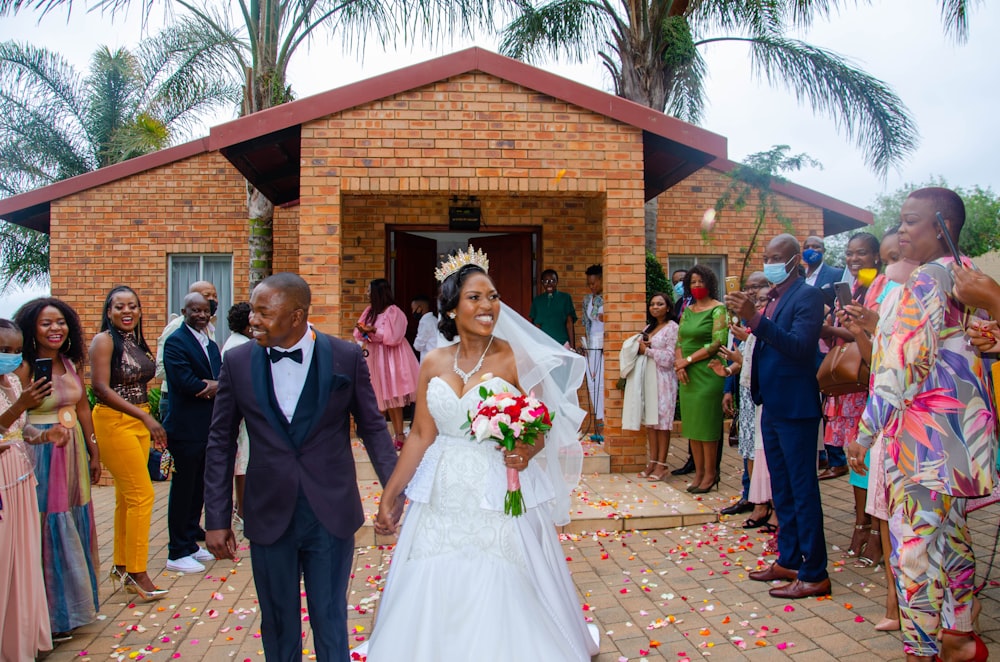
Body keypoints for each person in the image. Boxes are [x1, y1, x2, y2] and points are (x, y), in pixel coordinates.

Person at [366, 249, 598, 661]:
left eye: (492, 296)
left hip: (499, 486)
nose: (488, 305)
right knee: (435, 568)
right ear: (452, 308)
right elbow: (420, 433)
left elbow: (542, 422)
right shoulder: (433, 362)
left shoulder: (516, 357)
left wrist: (526, 450)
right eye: (475, 297)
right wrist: (391, 493)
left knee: (502, 572)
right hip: (443, 487)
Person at [204, 273, 399, 662]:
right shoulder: (237, 361)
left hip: (331, 512)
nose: (253, 320)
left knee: (329, 617)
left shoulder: (345, 356)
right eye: (253, 311)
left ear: (297, 315)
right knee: (277, 621)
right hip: (268, 511)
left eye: (263, 312)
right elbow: (220, 440)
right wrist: (216, 517)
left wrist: (393, 495)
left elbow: (374, 429)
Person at [851, 188, 994, 661]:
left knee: (913, 553)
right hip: (957, 441)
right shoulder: (963, 272)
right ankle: (960, 638)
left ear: (941, 226)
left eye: (911, 221)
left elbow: (901, 367)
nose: (902, 230)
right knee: (951, 540)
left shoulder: (926, 283)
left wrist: (865, 431)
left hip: (922, 443)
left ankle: (922, 651)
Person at [726, 233, 829, 599]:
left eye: (776, 256)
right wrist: (754, 318)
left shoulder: (808, 296)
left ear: (796, 259)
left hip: (796, 406)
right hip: (770, 403)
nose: (769, 261)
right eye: (766, 256)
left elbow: (800, 348)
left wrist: (754, 317)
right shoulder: (774, 297)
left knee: (803, 489)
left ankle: (815, 570)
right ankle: (788, 559)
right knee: (782, 488)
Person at [13, 298, 100, 640]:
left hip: (73, 448)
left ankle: (77, 607)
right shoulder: (23, 367)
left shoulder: (69, 362)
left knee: (74, 519)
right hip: (42, 450)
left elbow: (82, 408)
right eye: (47, 323)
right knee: (47, 523)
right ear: (32, 328)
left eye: (61, 322)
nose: (55, 329)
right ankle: (52, 615)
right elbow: (15, 415)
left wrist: (94, 451)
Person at [89, 286, 167, 601]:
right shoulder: (104, 341)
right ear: (108, 312)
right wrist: (146, 418)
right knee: (142, 495)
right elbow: (100, 388)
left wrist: (147, 418)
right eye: (119, 306)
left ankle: (122, 566)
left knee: (126, 497)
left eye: (132, 306)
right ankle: (137, 572)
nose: (127, 311)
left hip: (137, 420)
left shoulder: (134, 341)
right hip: (113, 420)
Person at [0, 318, 69, 661]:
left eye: (14, 351)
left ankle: (21, 640)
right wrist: (20, 405)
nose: (10, 357)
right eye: (2, 351)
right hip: (0, 482)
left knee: (24, 559)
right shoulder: (18, 394)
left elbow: (19, 431)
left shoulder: (14, 381)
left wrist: (46, 436)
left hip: (22, 478)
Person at [817, 233, 882, 563]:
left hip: (873, 381)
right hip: (851, 384)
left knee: (869, 458)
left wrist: (831, 330)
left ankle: (874, 530)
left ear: (876, 255)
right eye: (850, 254)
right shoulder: (853, 287)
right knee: (857, 458)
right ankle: (861, 521)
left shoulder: (882, 287)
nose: (855, 259)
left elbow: (872, 334)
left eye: (862, 253)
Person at [162, 293, 222, 573]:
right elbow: (185, 382)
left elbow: (220, 378)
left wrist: (211, 386)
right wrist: (212, 387)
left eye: (205, 310)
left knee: (198, 485)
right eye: (194, 310)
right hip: (184, 428)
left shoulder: (209, 342)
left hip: (206, 426)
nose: (200, 314)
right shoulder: (176, 342)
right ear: (184, 310)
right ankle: (176, 551)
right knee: (183, 488)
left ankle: (190, 541)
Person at [718, 272, 768, 517]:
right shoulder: (738, 317)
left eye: (758, 288)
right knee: (747, 447)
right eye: (748, 287)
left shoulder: (765, 319)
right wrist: (728, 381)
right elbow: (735, 354)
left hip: (762, 392)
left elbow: (752, 354)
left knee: (759, 448)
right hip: (744, 389)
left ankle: (762, 500)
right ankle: (749, 494)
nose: (752, 292)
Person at [674, 265, 727, 493]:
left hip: (708, 371)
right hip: (688, 374)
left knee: (707, 427)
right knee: (693, 427)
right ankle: (698, 474)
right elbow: (679, 340)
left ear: (710, 283)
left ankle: (710, 474)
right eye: (692, 282)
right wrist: (679, 365)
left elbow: (717, 342)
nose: (697, 285)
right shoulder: (687, 310)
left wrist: (687, 360)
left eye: (700, 281)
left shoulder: (718, 310)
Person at [353, 279, 421, 449]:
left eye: (369, 290)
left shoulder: (393, 312)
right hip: (375, 356)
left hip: (392, 357)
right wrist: (364, 332)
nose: (366, 293)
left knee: (392, 396)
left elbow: (394, 337)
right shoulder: (370, 312)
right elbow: (357, 334)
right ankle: (378, 437)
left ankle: (399, 436)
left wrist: (374, 330)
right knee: (376, 397)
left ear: (378, 292)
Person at [155, 281, 218, 424]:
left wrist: (219, 385)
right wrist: (206, 387)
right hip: (181, 406)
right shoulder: (176, 331)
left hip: (207, 412)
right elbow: (161, 368)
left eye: (214, 296)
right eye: (207, 295)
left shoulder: (208, 334)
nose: (212, 299)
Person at [635, 292, 678, 480]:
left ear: (668, 307)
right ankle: (652, 460)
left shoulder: (672, 328)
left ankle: (662, 463)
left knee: (663, 422)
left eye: (660, 304)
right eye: (652, 304)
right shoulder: (648, 327)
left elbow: (670, 357)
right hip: (648, 377)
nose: (655, 307)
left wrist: (648, 351)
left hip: (664, 378)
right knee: (651, 422)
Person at [220, 302, 252, 530]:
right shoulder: (238, 347)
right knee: (243, 463)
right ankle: (242, 511)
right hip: (241, 416)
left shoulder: (237, 342)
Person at [581, 264, 605, 439]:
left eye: (595, 283)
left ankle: (605, 423)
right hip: (592, 343)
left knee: (603, 381)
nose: (592, 287)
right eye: (589, 283)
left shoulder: (609, 298)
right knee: (593, 382)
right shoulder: (587, 300)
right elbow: (587, 324)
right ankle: (598, 421)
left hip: (605, 343)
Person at [529, 269, 576, 348]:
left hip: (562, 343)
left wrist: (572, 346)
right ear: (542, 282)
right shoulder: (537, 301)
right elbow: (537, 325)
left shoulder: (565, 298)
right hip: (544, 344)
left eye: (552, 281)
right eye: (546, 281)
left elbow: (569, 323)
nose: (549, 284)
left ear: (557, 281)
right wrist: (535, 344)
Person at [411, 294, 439, 362]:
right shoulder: (434, 319)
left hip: (429, 360)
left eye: (413, 309)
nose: (412, 312)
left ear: (420, 308)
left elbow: (418, 346)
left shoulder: (424, 322)